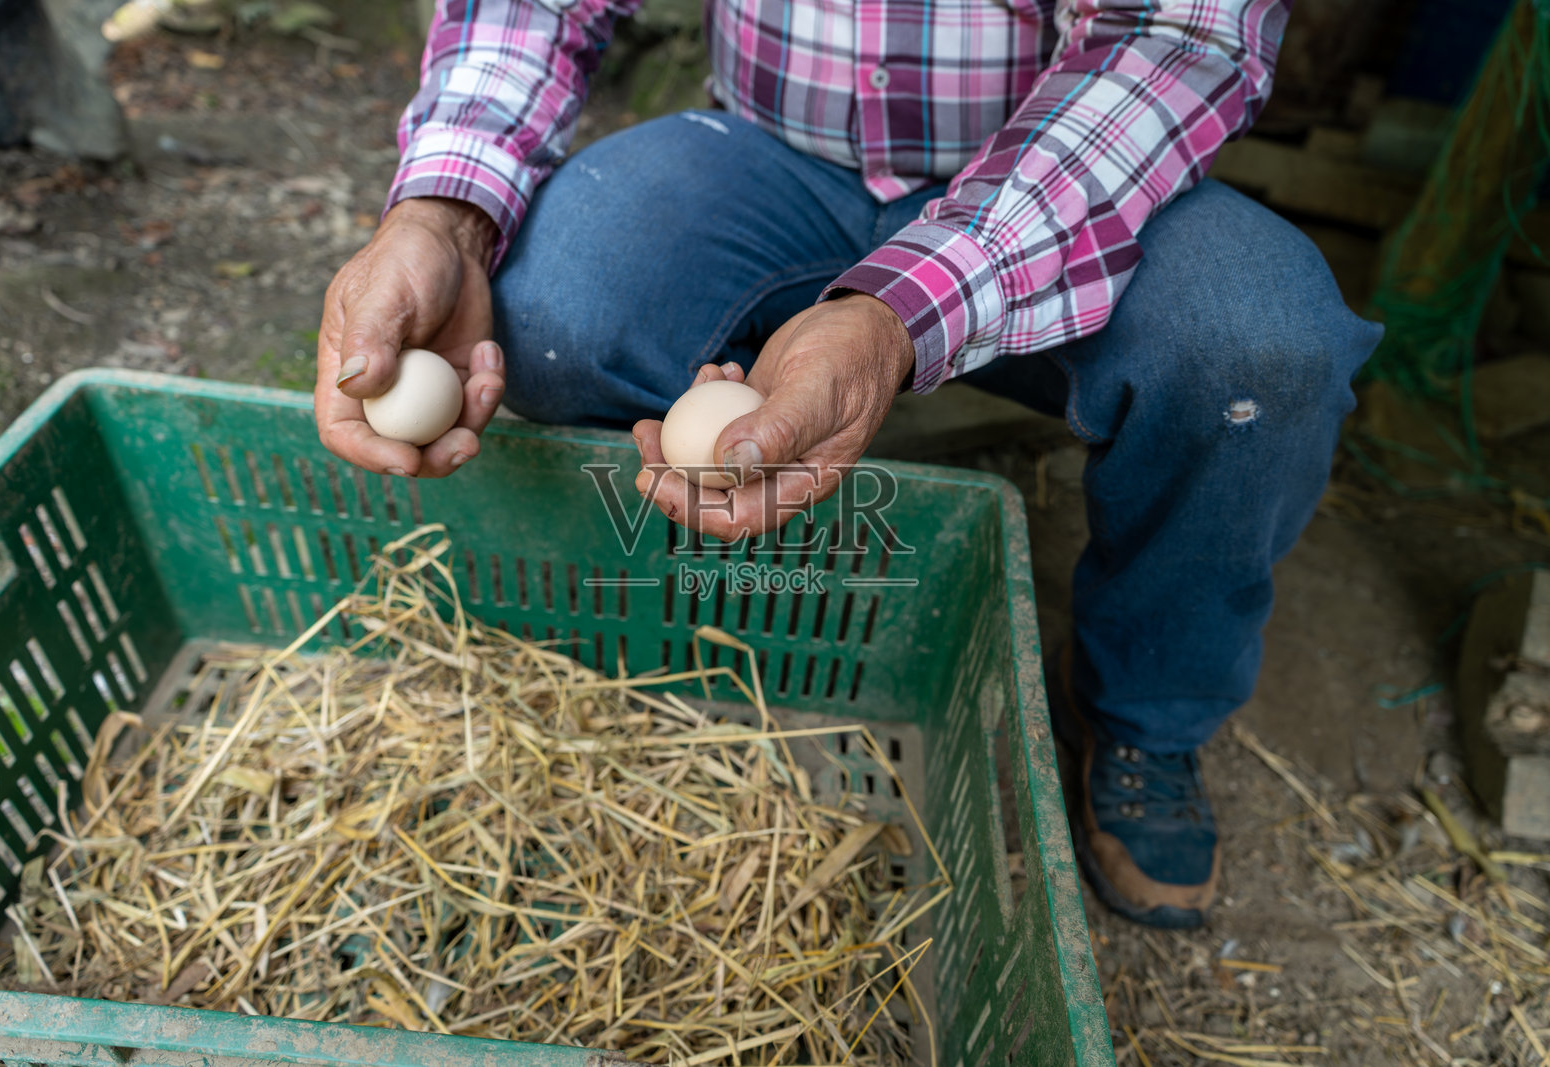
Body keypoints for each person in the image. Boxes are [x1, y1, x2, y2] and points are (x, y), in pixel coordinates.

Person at [314, 0, 1383, 929]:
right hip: (775, 156)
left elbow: (1173, 36)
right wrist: (443, 213)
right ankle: (682, 622)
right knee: (547, 317)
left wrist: (898, 312)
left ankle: (1146, 712)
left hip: (1066, 173)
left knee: (1258, 357)